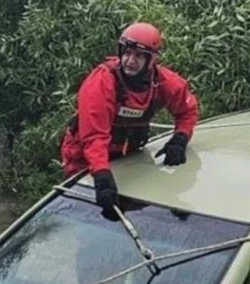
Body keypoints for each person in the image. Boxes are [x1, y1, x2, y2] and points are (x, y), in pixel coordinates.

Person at [60, 22, 200, 216]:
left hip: (129, 157)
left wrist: (180, 138)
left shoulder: (162, 82)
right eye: (127, 53)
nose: (130, 60)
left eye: (139, 55)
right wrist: (101, 175)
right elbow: (94, 137)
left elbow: (187, 111)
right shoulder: (102, 82)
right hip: (86, 158)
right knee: (89, 214)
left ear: (151, 60)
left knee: (135, 212)